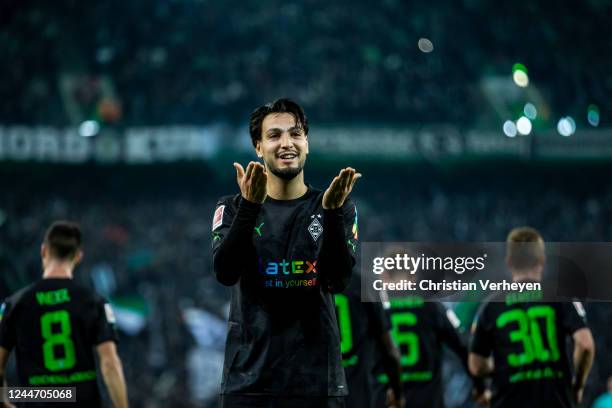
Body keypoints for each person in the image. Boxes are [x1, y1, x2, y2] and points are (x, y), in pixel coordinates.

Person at [212, 98, 360, 407]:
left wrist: (332, 214)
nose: (287, 143)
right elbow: (225, 273)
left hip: (317, 385)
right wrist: (250, 207)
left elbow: (338, 280)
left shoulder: (336, 205)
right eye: (274, 135)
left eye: (295, 133)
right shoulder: (232, 207)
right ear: (258, 147)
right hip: (249, 385)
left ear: (307, 142)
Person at [0, 221, 128, 408]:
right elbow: (109, 364)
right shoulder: (94, 302)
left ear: (44, 251)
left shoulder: (14, 304)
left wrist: (6, 401)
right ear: (78, 256)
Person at [469, 226, 595, 408]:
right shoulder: (560, 297)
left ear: (509, 261)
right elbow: (585, 344)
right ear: (542, 260)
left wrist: (504, 368)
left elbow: (476, 365)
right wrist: (578, 385)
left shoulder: (490, 306)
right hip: (555, 401)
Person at [334, 271, 403, 408]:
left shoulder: (306, 282)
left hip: (322, 389)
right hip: (360, 390)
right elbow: (390, 348)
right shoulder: (365, 283)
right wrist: (397, 393)